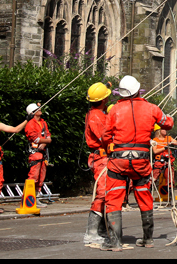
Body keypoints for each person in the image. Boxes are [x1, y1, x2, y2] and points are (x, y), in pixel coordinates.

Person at [100, 75, 173, 251]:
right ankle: (148, 239)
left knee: (114, 197)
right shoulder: (151, 108)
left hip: (119, 160)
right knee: (144, 196)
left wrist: (109, 146)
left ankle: (115, 242)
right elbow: (168, 123)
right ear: (137, 90)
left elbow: (104, 136)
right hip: (141, 160)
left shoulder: (115, 110)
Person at [83, 82, 111, 246]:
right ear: (103, 99)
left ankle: (101, 231)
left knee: (108, 193)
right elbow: (105, 137)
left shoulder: (98, 113)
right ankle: (91, 233)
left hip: (104, 157)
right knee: (102, 193)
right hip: (101, 158)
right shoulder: (96, 116)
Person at [24, 103, 52, 207]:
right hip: (34, 153)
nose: (40, 110)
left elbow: (48, 136)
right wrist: (46, 141)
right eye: (38, 109)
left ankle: (37, 197)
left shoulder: (43, 123)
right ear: (33, 112)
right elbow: (35, 139)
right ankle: (30, 199)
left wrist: (44, 142)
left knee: (41, 177)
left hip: (42, 153)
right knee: (33, 177)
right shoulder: (30, 124)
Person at [152, 124, 177, 197]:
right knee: (153, 178)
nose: (165, 131)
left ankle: (171, 198)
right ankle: (148, 195)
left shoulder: (169, 138)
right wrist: (165, 148)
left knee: (170, 179)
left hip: (168, 161)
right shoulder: (155, 140)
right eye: (163, 129)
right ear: (159, 130)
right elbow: (155, 151)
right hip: (159, 161)